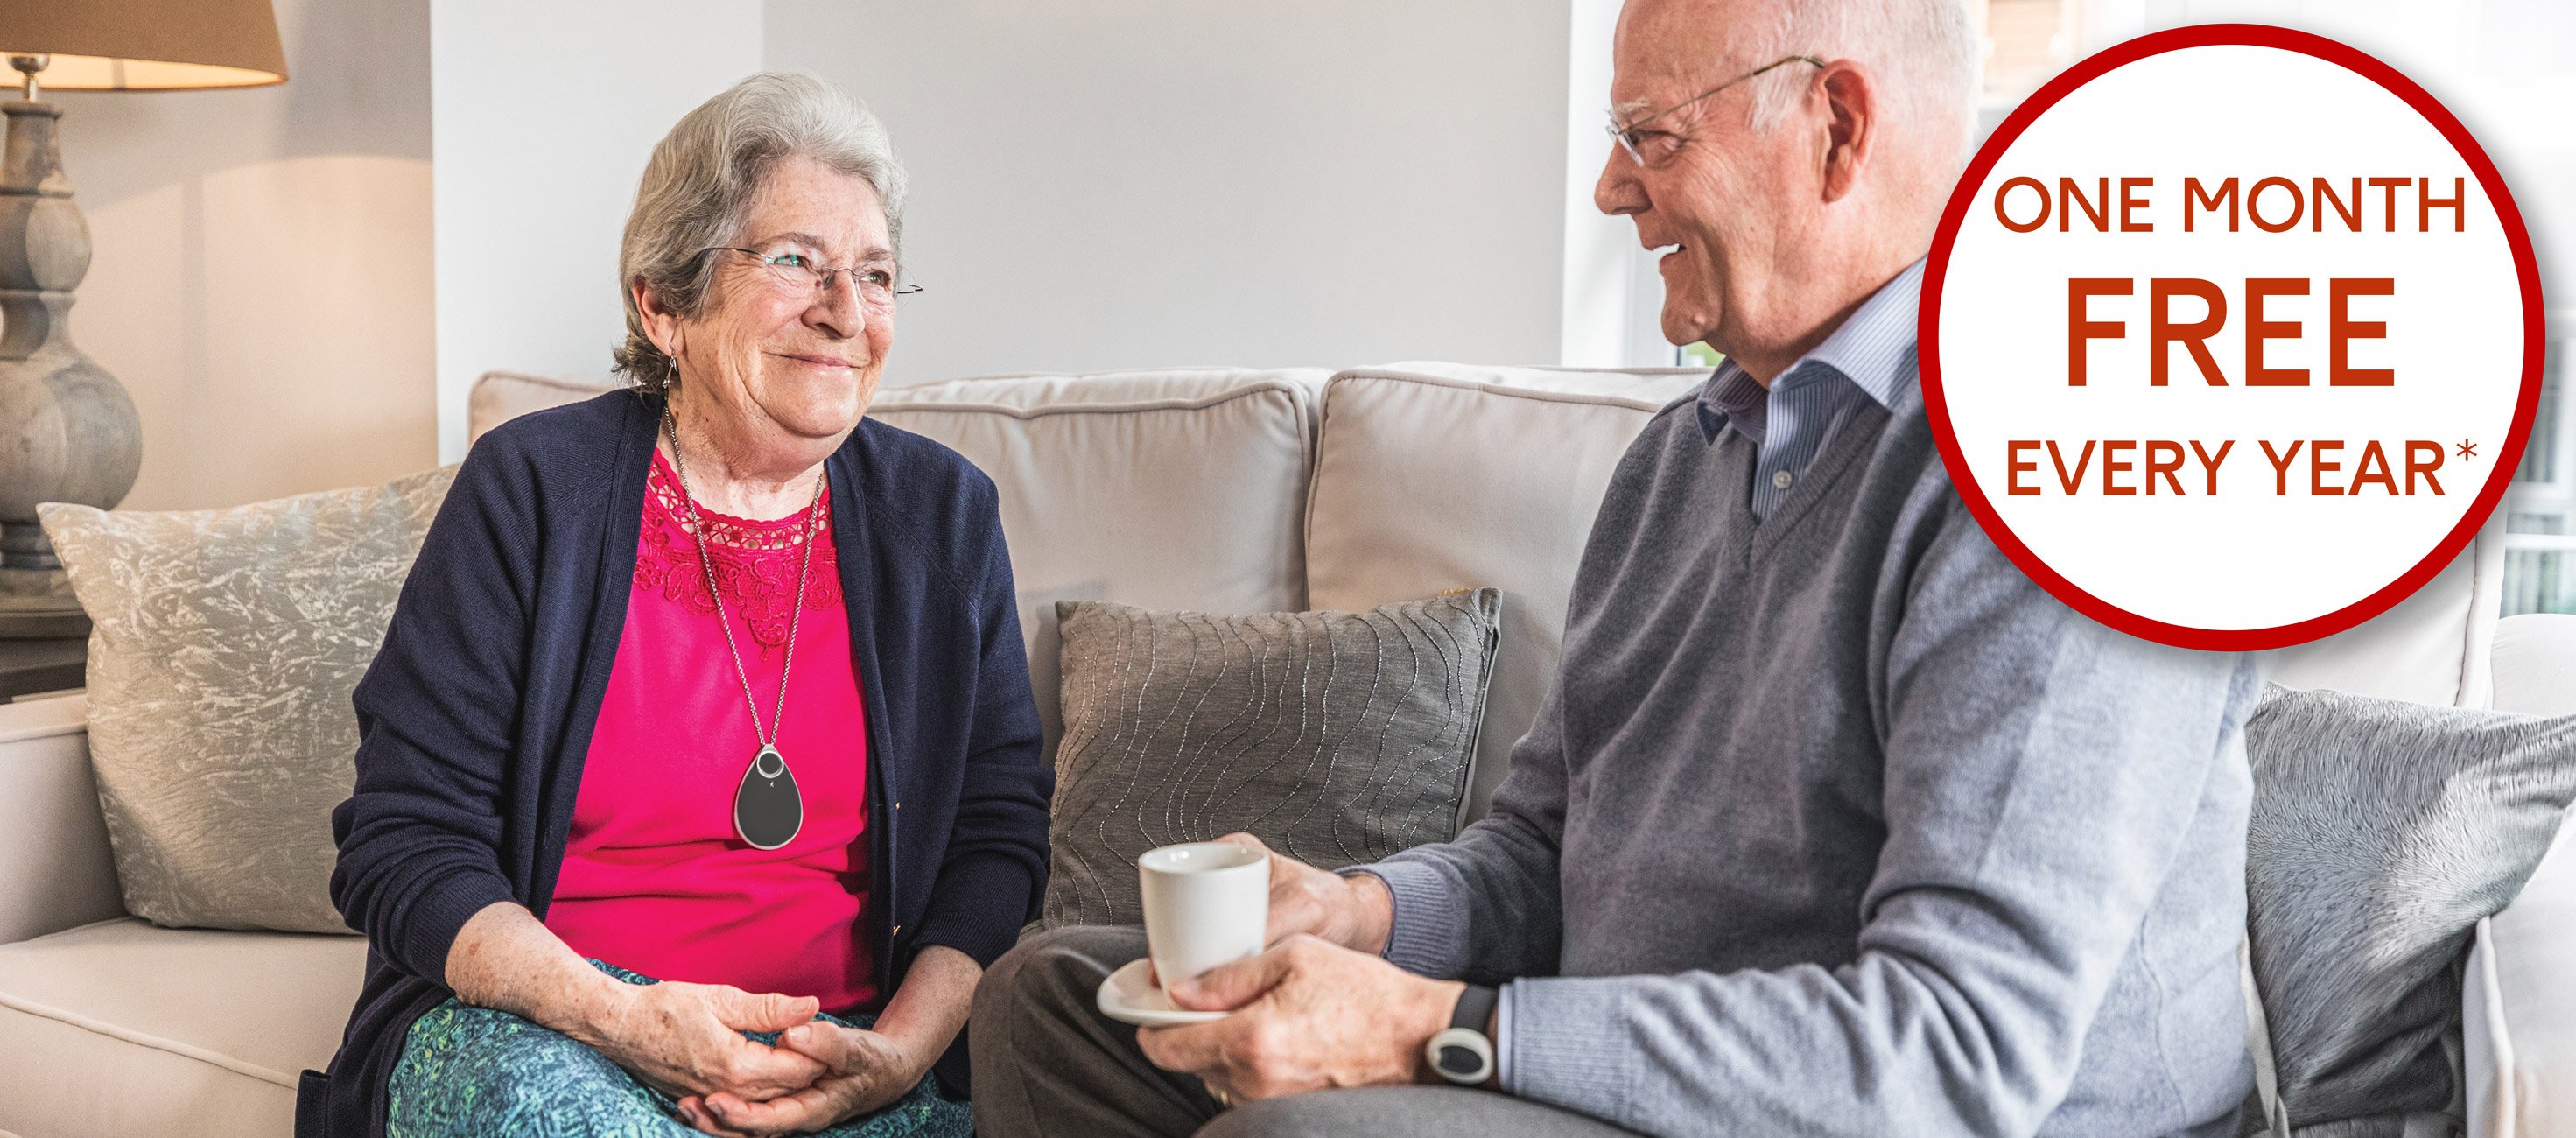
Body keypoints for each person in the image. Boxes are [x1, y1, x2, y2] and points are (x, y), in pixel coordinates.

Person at [969, 0, 2260, 1134]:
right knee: (1053, 1006)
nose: (1606, 189)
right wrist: (1357, 916)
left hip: (1854, 1111)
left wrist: (1435, 1029)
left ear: (1836, 127)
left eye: (1651, 135)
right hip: (1606, 1067)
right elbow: (1539, 853)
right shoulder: (1681, 465)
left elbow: (1951, 1060)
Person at [300, 74, 1052, 1138]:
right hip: (558, 1031)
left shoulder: (944, 516)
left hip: (843, 1054)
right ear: (664, 304)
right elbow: (403, 840)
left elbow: (997, 836)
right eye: (796, 259)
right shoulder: (534, 491)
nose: (846, 312)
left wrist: (894, 1058)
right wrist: (622, 1017)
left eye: (875, 274)